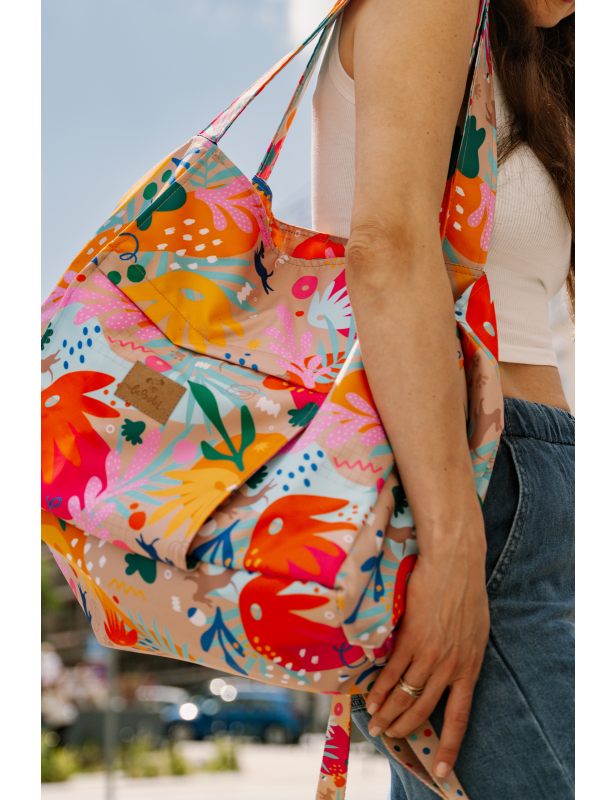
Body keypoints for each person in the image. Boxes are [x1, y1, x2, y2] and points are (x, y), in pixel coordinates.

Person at [311, 0, 575, 797]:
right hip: (472, 489)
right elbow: (387, 248)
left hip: (532, 493)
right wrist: (451, 546)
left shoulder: (529, 59)